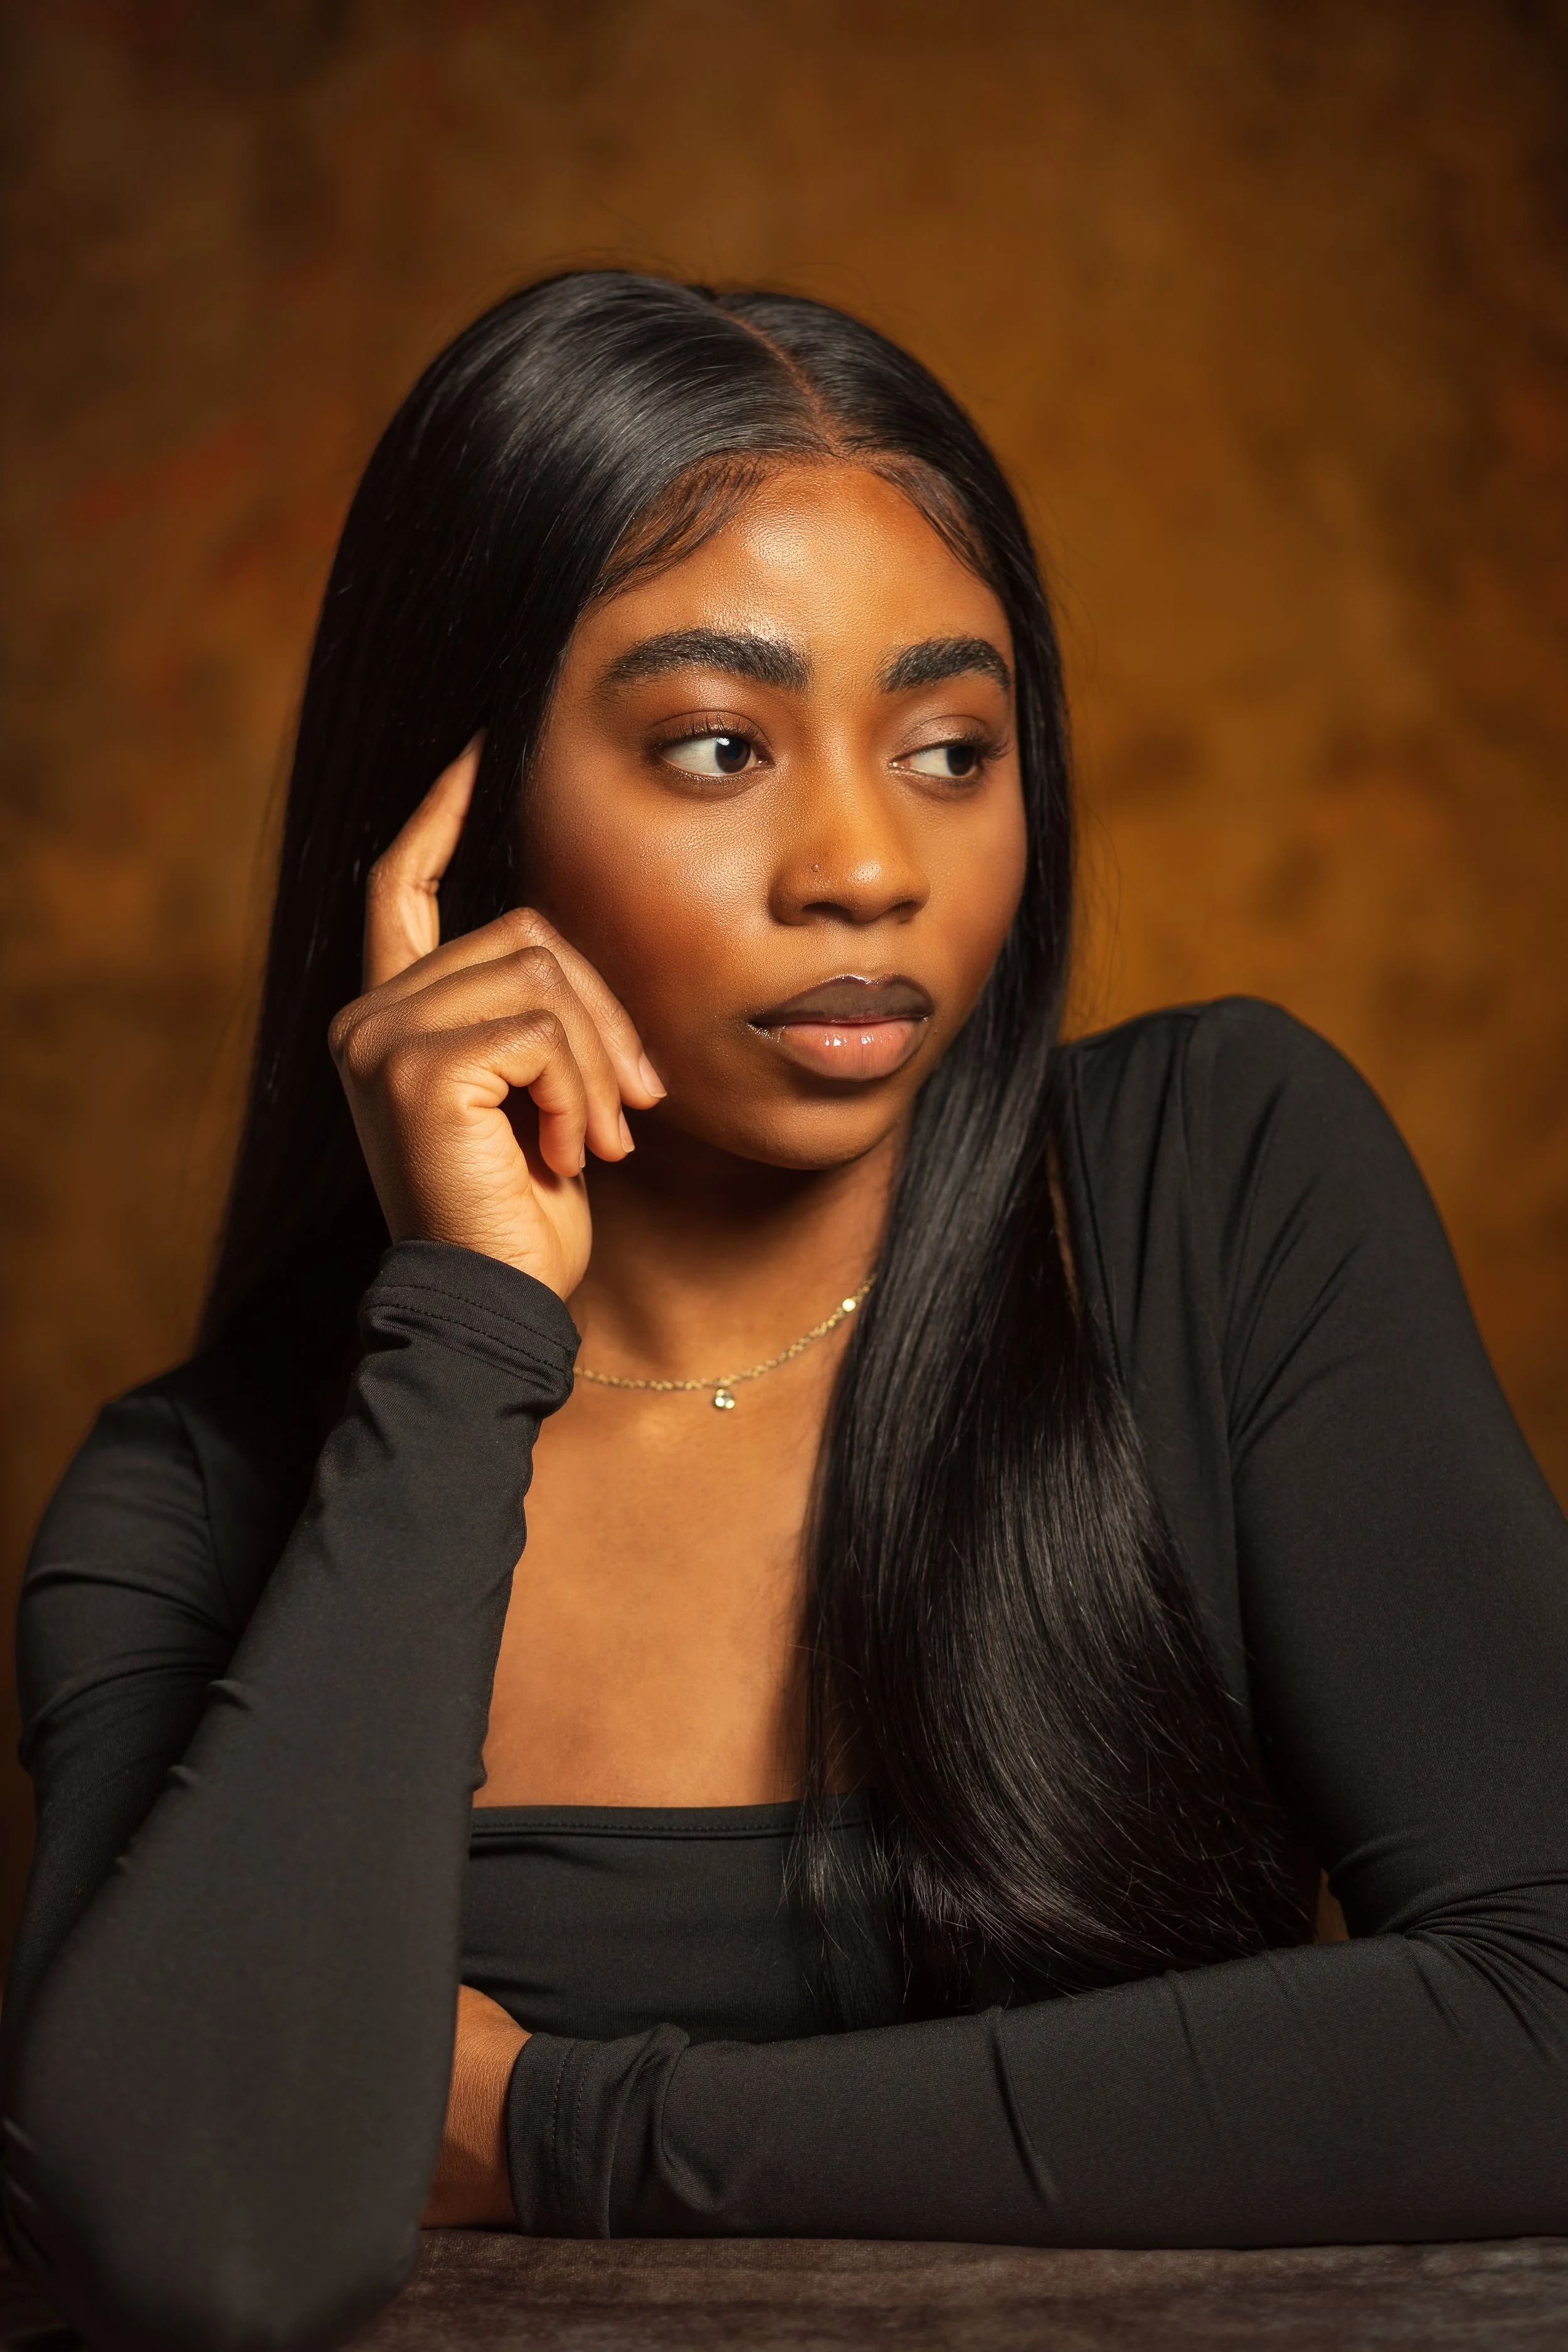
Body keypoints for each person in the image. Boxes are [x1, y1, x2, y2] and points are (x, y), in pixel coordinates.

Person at [3, 270, 1565, 2352]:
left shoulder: (1215, 1188)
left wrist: (570, 2126)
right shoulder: (195, 1499)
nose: (862, 861)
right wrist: (465, 1330)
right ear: (451, 818)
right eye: (719, 744)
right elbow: (192, 2240)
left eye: (949, 746)